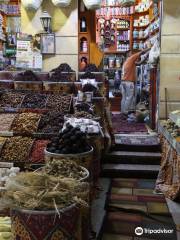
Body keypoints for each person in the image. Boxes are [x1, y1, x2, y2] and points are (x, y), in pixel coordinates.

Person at [120, 49, 150, 114]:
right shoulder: (131, 58)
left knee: (124, 97)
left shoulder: (126, 61)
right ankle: (125, 112)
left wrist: (146, 57)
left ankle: (122, 111)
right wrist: (149, 48)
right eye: (130, 53)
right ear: (128, 54)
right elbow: (142, 52)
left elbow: (139, 63)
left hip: (123, 82)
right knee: (129, 97)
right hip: (129, 82)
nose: (132, 54)